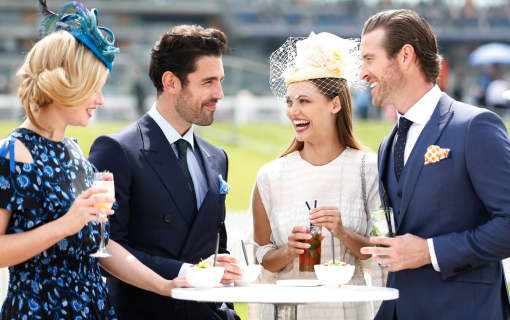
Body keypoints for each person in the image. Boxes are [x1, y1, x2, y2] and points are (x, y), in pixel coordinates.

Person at [0, 1, 187, 319]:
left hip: (94, 311)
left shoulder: (75, 153)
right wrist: (65, 225)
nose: (100, 100)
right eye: (94, 89)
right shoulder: (12, 153)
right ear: (65, 85)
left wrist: (166, 286)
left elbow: (102, 249)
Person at [359, 9, 510, 320]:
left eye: (369, 59)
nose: (362, 72)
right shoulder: (389, 144)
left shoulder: (475, 127)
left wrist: (430, 251)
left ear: (405, 56)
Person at [88, 25, 242, 320]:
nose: (219, 94)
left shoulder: (217, 157)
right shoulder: (116, 150)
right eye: (208, 82)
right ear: (171, 82)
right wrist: (185, 272)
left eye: (220, 81)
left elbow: (214, 246)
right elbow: (105, 247)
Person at [252, 32, 385, 319]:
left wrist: (342, 232)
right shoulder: (270, 177)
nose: (293, 111)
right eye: (289, 102)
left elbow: (382, 250)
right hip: (288, 312)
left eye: (304, 101)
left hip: (349, 312)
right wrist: (288, 251)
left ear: (334, 104)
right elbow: (263, 258)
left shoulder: (368, 169)